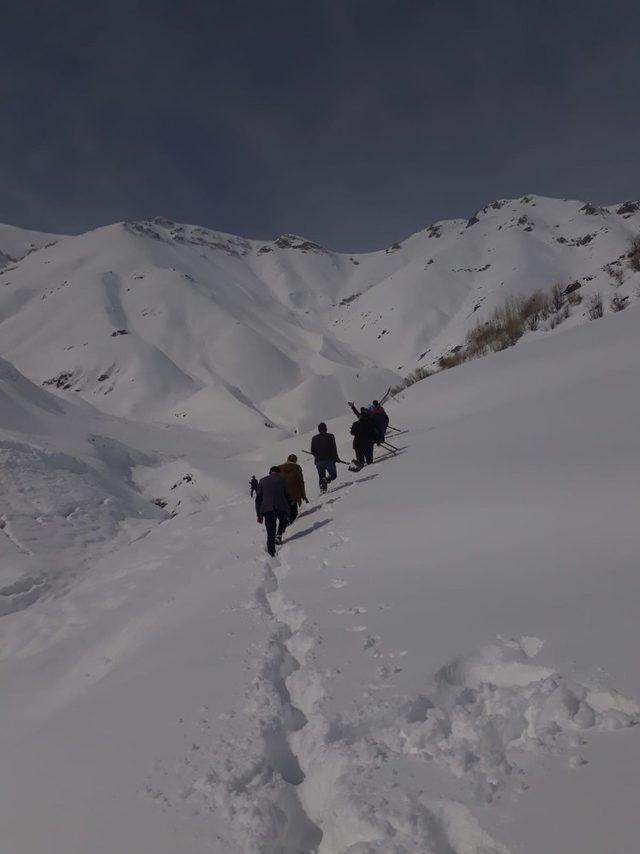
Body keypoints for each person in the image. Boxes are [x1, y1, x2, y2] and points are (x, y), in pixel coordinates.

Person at [255, 466, 291, 556]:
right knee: (284, 520)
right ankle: (279, 533)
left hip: (268, 509)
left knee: (270, 532)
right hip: (281, 506)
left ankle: (271, 553)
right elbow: (287, 494)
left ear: (270, 473)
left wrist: (259, 515)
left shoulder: (262, 480)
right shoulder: (283, 479)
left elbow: (258, 499)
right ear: (278, 472)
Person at [278, 454, 308, 524]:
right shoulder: (296, 467)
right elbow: (301, 481)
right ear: (295, 460)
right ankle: (291, 526)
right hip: (294, 493)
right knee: (293, 511)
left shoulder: (279, 468)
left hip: (282, 493)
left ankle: (285, 525)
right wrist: (303, 495)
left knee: (285, 510)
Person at [310, 422, 340, 493]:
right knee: (333, 475)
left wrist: (317, 455)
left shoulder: (314, 438)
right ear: (326, 429)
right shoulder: (331, 436)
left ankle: (323, 489)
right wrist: (336, 458)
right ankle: (327, 479)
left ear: (319, 430)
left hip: (318, 461)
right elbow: (333, 448)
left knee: (321, 476)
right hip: (329, 459)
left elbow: (312, 450)